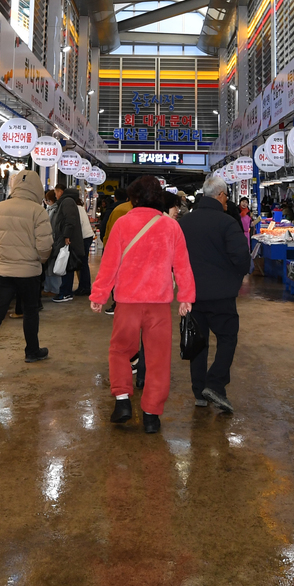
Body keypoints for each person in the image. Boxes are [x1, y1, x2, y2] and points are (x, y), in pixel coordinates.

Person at [89, 175, 196, 434]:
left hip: (127, 302)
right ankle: (151, 416)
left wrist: (99, 295)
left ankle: (123, 401)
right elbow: (182, 265)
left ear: (134, 198)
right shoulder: (171, 227)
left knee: (120, 351)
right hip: (159, 304)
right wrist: (186, 297)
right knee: (158, 359)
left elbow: (110, 264)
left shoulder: (123, 224)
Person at [178, 175, 252, 413]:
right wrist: (236, 275)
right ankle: (216, 384)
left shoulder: (184, 222)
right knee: (227, 338)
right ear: (220, 195)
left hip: (192, 295)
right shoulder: (227, 223)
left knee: (197, 342)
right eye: (226, 196)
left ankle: (199, 392)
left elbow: (175, 258)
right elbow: (241, 258)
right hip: (222, 295)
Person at [0, 170, 54, 377]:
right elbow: (45, 245)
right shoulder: (38, 211)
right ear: (37, 189)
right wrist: (39, 259)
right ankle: (32, 351)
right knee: (30, 311)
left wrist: (0, 252)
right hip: (29, 271)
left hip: (3, 270)